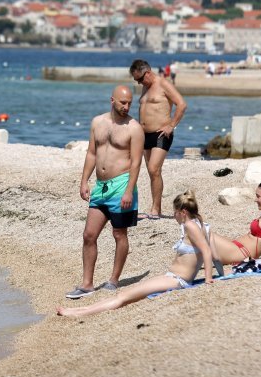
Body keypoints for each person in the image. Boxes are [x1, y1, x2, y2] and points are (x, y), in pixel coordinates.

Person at [57, 190, 214, 317]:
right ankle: (81, 310)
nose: (174, 216)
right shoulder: (201, 224)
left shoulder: (191, 227)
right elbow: (209, 250)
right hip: (172, 277)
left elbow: (206, 251)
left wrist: (208, 280)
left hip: (177, 280)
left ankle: (78, 313)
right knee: (125, 295)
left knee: (124, 296)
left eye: (175, 212)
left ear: (183, 212)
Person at [65, 85, 145, 299]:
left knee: (119, 234)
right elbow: (92, 153)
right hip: (100, 187)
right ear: (112, 100)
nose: (126, 107)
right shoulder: (97, 123)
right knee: (89, 235)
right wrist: (84, 181)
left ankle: (113, 280)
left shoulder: (134, 128)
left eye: (129, 103)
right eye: (122, 103)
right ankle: (87, 284)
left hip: (121, 186)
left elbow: (136, 163)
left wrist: (129, 191)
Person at [129, 59, 187, 219]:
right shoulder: (145, 88)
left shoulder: (163, 84)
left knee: (154, 168)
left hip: (161, 134)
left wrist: (171, 125)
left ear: (147, 72)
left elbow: (181, 104)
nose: (139, 83)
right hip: (144, 135)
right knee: (152, 172)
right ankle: (156, 209)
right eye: (136, 81)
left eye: (140, 79)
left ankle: (156, 210)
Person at [209, 177, 261, 268]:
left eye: (258, 196)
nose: (255, 200)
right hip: (236, 248)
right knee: (199, 232)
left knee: (202, 232)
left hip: (240, 253)